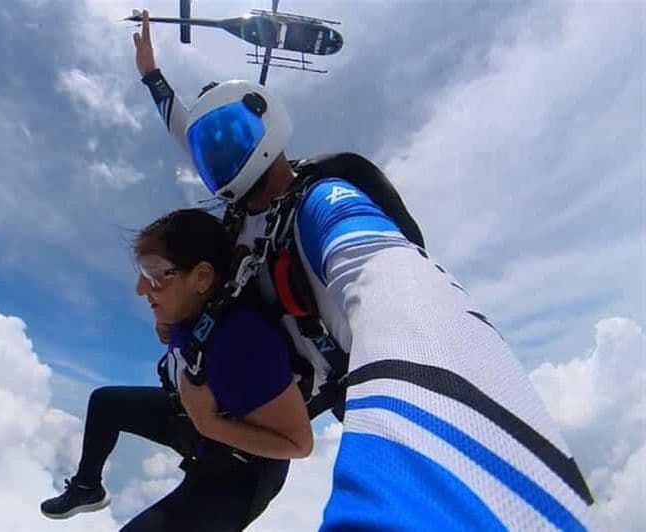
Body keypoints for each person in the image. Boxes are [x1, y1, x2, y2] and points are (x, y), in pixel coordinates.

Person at [132, 12, 598, 531]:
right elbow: (189, 129)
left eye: (230, 139)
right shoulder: (242, 216)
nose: (218, 156)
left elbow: (412, 305)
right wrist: (152, 76)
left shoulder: (326, 206)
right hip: (253, 399)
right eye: (208, 150)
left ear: (266, 126)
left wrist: (447, 495)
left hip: (290, 415)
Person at [40, 208, 312, 531]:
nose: (141, 288)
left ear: (201, 277)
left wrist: (207, 422)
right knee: (105, 403)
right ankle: (88, 487)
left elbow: (299, 444)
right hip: (196, 423)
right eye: (142, 271)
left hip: (240, 474)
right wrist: (169, 325)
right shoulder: (192, 311)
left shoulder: (243, 344)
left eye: (154, 274)